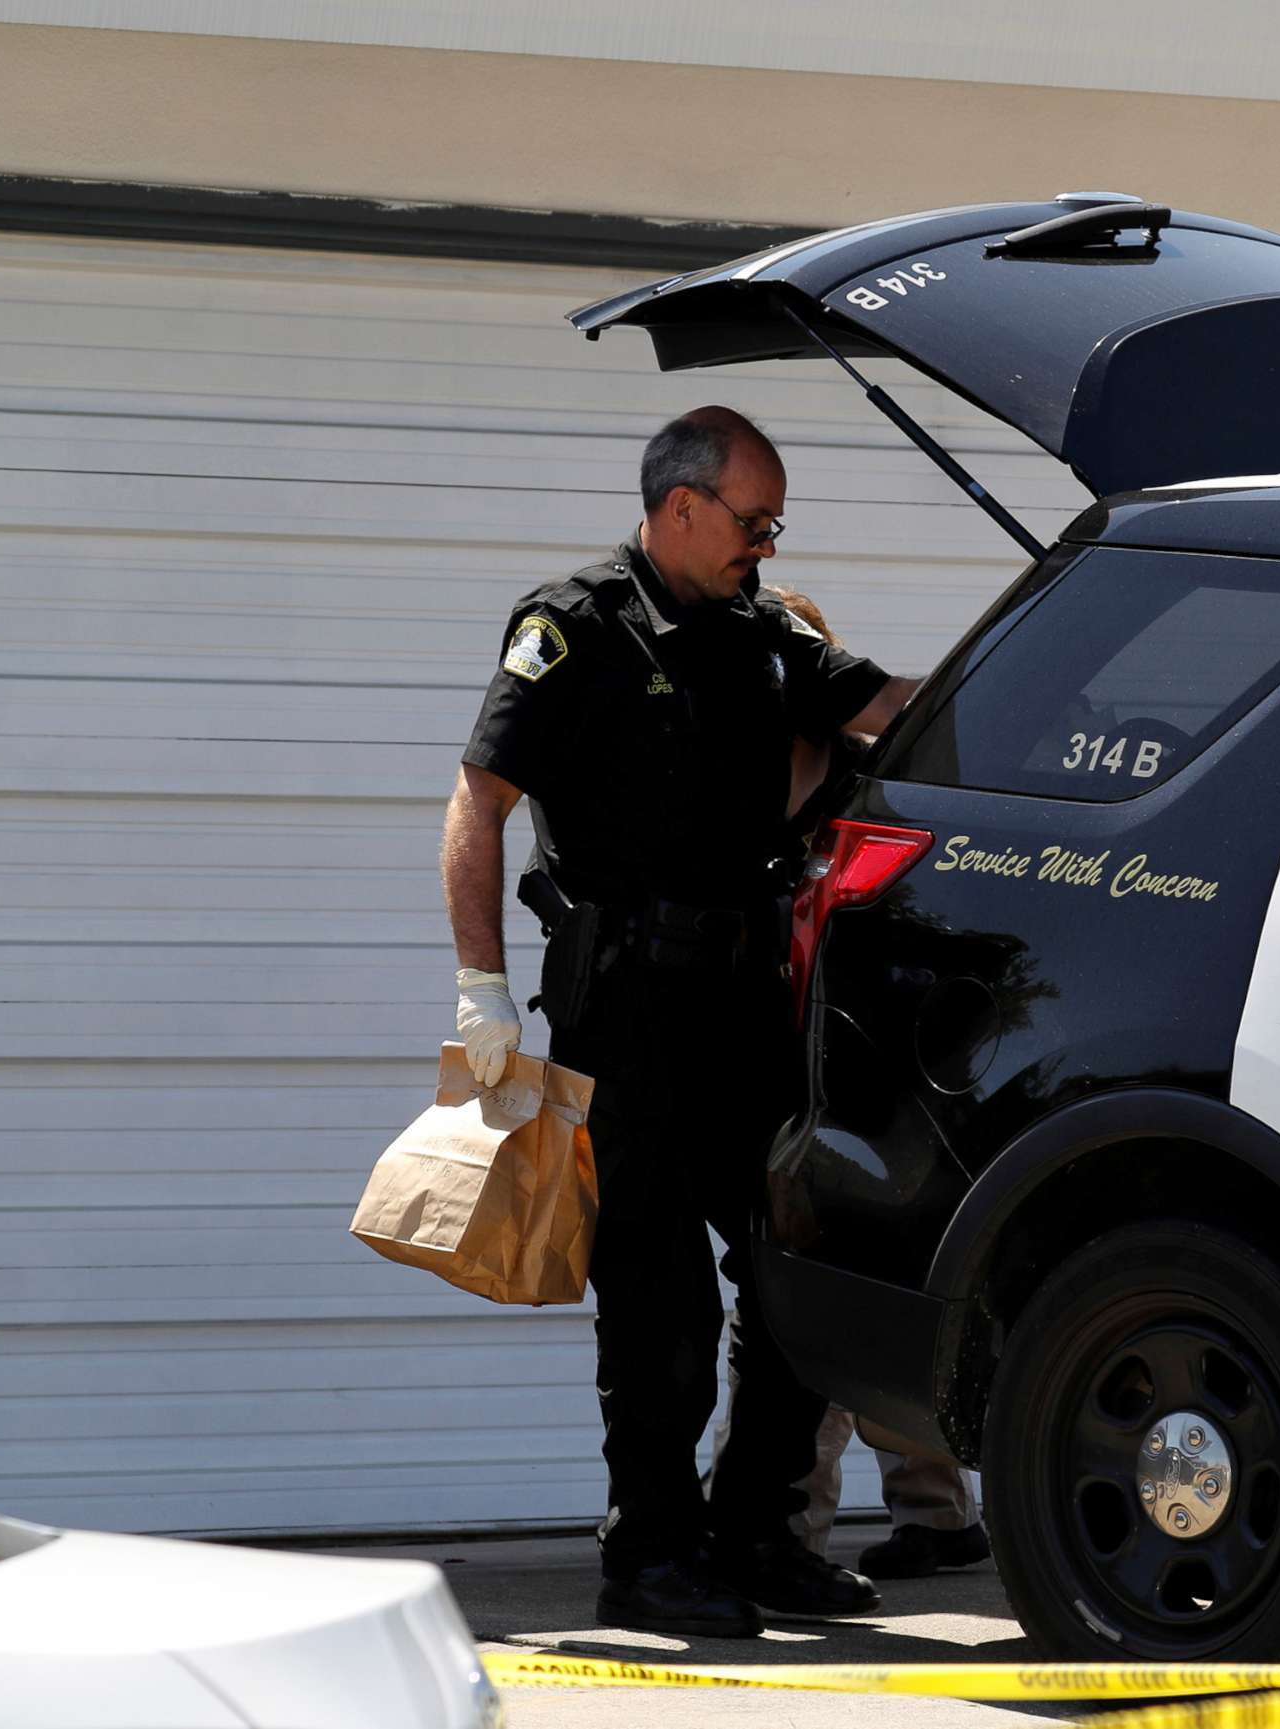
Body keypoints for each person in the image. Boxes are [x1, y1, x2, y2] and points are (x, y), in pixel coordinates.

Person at [439, 406, 918, 1639]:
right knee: (660, 1303)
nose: (764, 544)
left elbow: (889, 710)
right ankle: (649, 1553)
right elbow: (478, 802)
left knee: (791, 1271)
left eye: (774, 527)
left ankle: (756, 1533)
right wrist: (480, 986)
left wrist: (1041, 682)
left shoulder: (765, 636)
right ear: (681, 504)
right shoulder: (577, 625)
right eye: (751, 521)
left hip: (746, 1003)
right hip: (631, 1006)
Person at [704, 585, 994, 1582]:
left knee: (827, 1290)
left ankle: (802, 1527)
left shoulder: (881, 786)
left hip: (864, 1074)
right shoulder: (725, 781)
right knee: (798, 1289)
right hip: (757, 1069)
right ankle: (834, 1518)